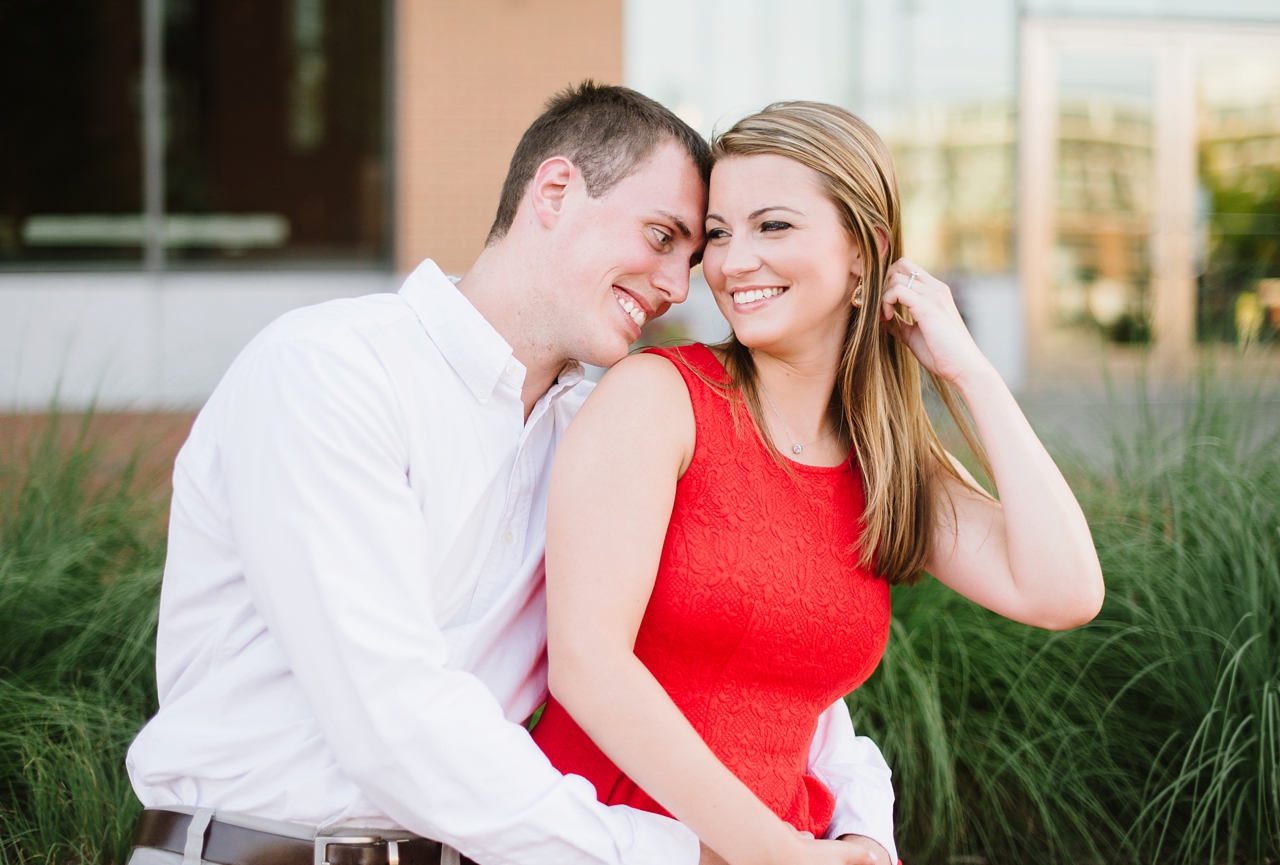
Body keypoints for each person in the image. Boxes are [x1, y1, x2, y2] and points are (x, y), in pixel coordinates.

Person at [124, 84, 900, 865]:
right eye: (662, 236)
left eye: (690, 258)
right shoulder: (331, 369)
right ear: (555, 190)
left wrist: (859, 826)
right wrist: (676, 851)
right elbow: (390, 717)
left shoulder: (594, 434)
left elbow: (772, 660)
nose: (676, 285)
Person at [532, 101, 1107, 865]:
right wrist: (778, 852)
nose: (734, 263)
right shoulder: (657, 397)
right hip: (605, 842)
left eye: (773, 226)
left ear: (864, 254)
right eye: (718, 234)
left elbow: (1063, 590)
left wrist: (968, 368)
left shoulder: (888, 461)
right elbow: (587, 664)